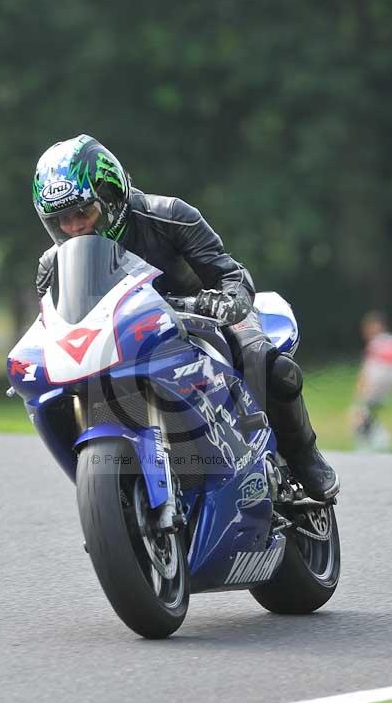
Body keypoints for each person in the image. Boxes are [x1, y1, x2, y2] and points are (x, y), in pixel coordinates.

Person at [32, 134, 339, 500]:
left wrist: (226, 301)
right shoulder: (52, 265)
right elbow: (55, 318)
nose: (74, 227)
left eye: (83, 212)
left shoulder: (169, 215)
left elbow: (231, 274)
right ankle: (118, 490)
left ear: (111, 198)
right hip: (128, 337)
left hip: (202, 319)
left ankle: (303, 457)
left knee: (268, 363)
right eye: (62, 219)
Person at [351, 310, 392, 451]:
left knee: (358, 414)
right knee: (369, 416)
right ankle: (376, 442)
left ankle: (371, 445)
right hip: (387, 389)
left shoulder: (376, 344)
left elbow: (368, 371)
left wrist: (360, 390)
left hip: (374, 388)